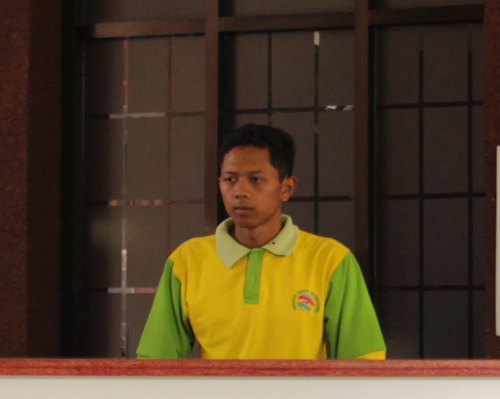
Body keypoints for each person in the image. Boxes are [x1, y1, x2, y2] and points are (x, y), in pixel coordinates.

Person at [136, 123, 386, 360]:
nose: (240, 192)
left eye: (255, 179)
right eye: (230, 179)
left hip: (301, 395)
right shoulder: (187, 260)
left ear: (286, 188)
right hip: (214, 395)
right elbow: (156, 362)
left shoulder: (330, 259)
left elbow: (364, 361)